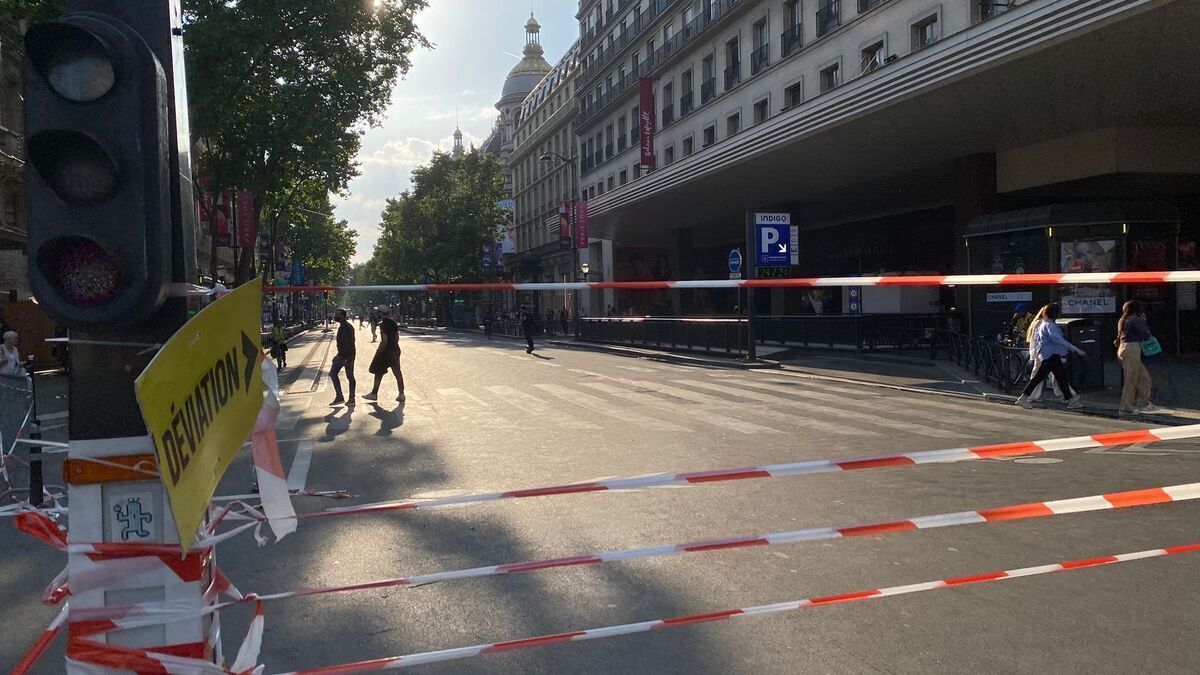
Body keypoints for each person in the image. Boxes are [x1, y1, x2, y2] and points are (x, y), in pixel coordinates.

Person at [1015, 304, 1086, 410]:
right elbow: (1058, 340)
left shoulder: (1042, 324)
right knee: (1043, 378)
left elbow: (1039, 341)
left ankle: (1071, 400)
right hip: (1050, 356)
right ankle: (1023, 398)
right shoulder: (1050, 326)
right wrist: (1075, 349)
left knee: (1060, 378)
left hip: (1049, 355)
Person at [1115, 300, 1157, 414]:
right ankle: (1126, 406)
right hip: (1132, 349)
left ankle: (1142, 403)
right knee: (1131, 379)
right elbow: (1145, 334)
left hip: (1124, 349)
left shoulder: (1123, 319)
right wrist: (1144, 322)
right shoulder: (1136, 320)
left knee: (1143, 378)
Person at [365, 308, 404, 402]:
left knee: (378, 372)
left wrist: (379, 352)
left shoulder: (383, 325)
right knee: (397, 372)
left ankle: (374, 393)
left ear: (381, 314)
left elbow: (384, 341)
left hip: (386, 352)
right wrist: (394, 345)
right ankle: (401, 393)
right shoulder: (393, 323)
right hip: (395, 349)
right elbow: (397, 337)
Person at [329, 308, 356, 406]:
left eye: (338, 314)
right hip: (344, 355)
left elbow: (348, 343)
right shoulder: (344, 326)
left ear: (343, 316)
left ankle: (344, 397)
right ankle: (347, 397)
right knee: (348, 376)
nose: (335, 316)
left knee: (337, 374)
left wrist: (345, 358)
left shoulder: (346, 327)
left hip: (346, 356)